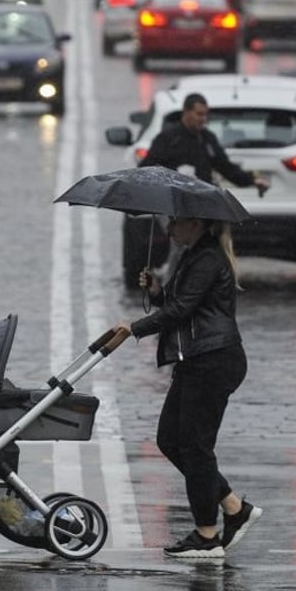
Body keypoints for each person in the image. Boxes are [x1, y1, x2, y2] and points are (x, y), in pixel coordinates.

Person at [116, 216, 262, 559]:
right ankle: (233, 506)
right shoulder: (195, 255)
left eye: (175, 223)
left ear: (196, 223)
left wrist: (134, 328)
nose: (169, 229)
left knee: (196, 448)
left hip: (213, 360)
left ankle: (206, 535)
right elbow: (182, 304)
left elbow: (183, 310)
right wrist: (156, 291)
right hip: (196, 359)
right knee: (169, 439)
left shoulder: (208, 258)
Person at [140, 93, 269, 193]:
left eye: (205, 115)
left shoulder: (207, 139)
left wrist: (252, 180)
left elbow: (225, 167)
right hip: (175, 200)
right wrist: (174, 175)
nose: (203, 119)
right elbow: (148, 168)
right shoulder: (168, 138)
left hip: (202, 200)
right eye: (199, 114)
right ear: (186, 112)